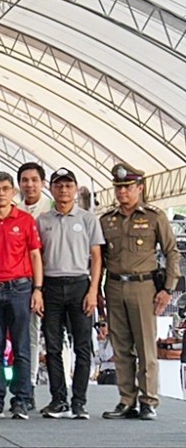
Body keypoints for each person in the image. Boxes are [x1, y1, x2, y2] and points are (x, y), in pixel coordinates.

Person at [99, 163, 182, 420]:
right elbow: (99, 258)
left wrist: (168, 288)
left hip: (143, 286)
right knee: (121, 346)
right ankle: (126, 400)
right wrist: (97, 289)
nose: (122, 192)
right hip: (114, 285)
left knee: (146, 346)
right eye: (118, 187)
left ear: (140, 188)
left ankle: (148, 400)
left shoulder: (154, 216)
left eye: (127, 187)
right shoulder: (107, 220)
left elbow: (171, 252)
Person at [37, 168, 103, 420]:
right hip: (51, 286)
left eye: (68, 185)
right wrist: (38, 290)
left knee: (82, 347)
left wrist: (93, 290)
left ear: (75, 189)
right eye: (58, 185)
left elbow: (96, 257)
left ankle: (79, 402)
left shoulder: (88, 219)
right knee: (53, 347)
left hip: (79, 285)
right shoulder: (42, 220)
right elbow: (37, 257)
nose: (63, 190)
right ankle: (58, 400)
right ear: (51, 189)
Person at [0, 172, 43, 420]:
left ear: (13, 192)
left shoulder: (25, 221)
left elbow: (35, 255)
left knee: (21, 347)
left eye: (5, 188)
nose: (1, 193)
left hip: (20, 289)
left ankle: (22, 399)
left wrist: (38, 289)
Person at [17, 162, 53, 411]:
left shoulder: (53, 209)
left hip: (56, 280)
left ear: (43, 183)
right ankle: (27, 387)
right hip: (25, 282)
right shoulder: (13, 210)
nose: (29, 185)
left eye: (34, 180)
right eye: (25, 180)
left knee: (56, 338)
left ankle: (62, 394)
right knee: (28, 335)